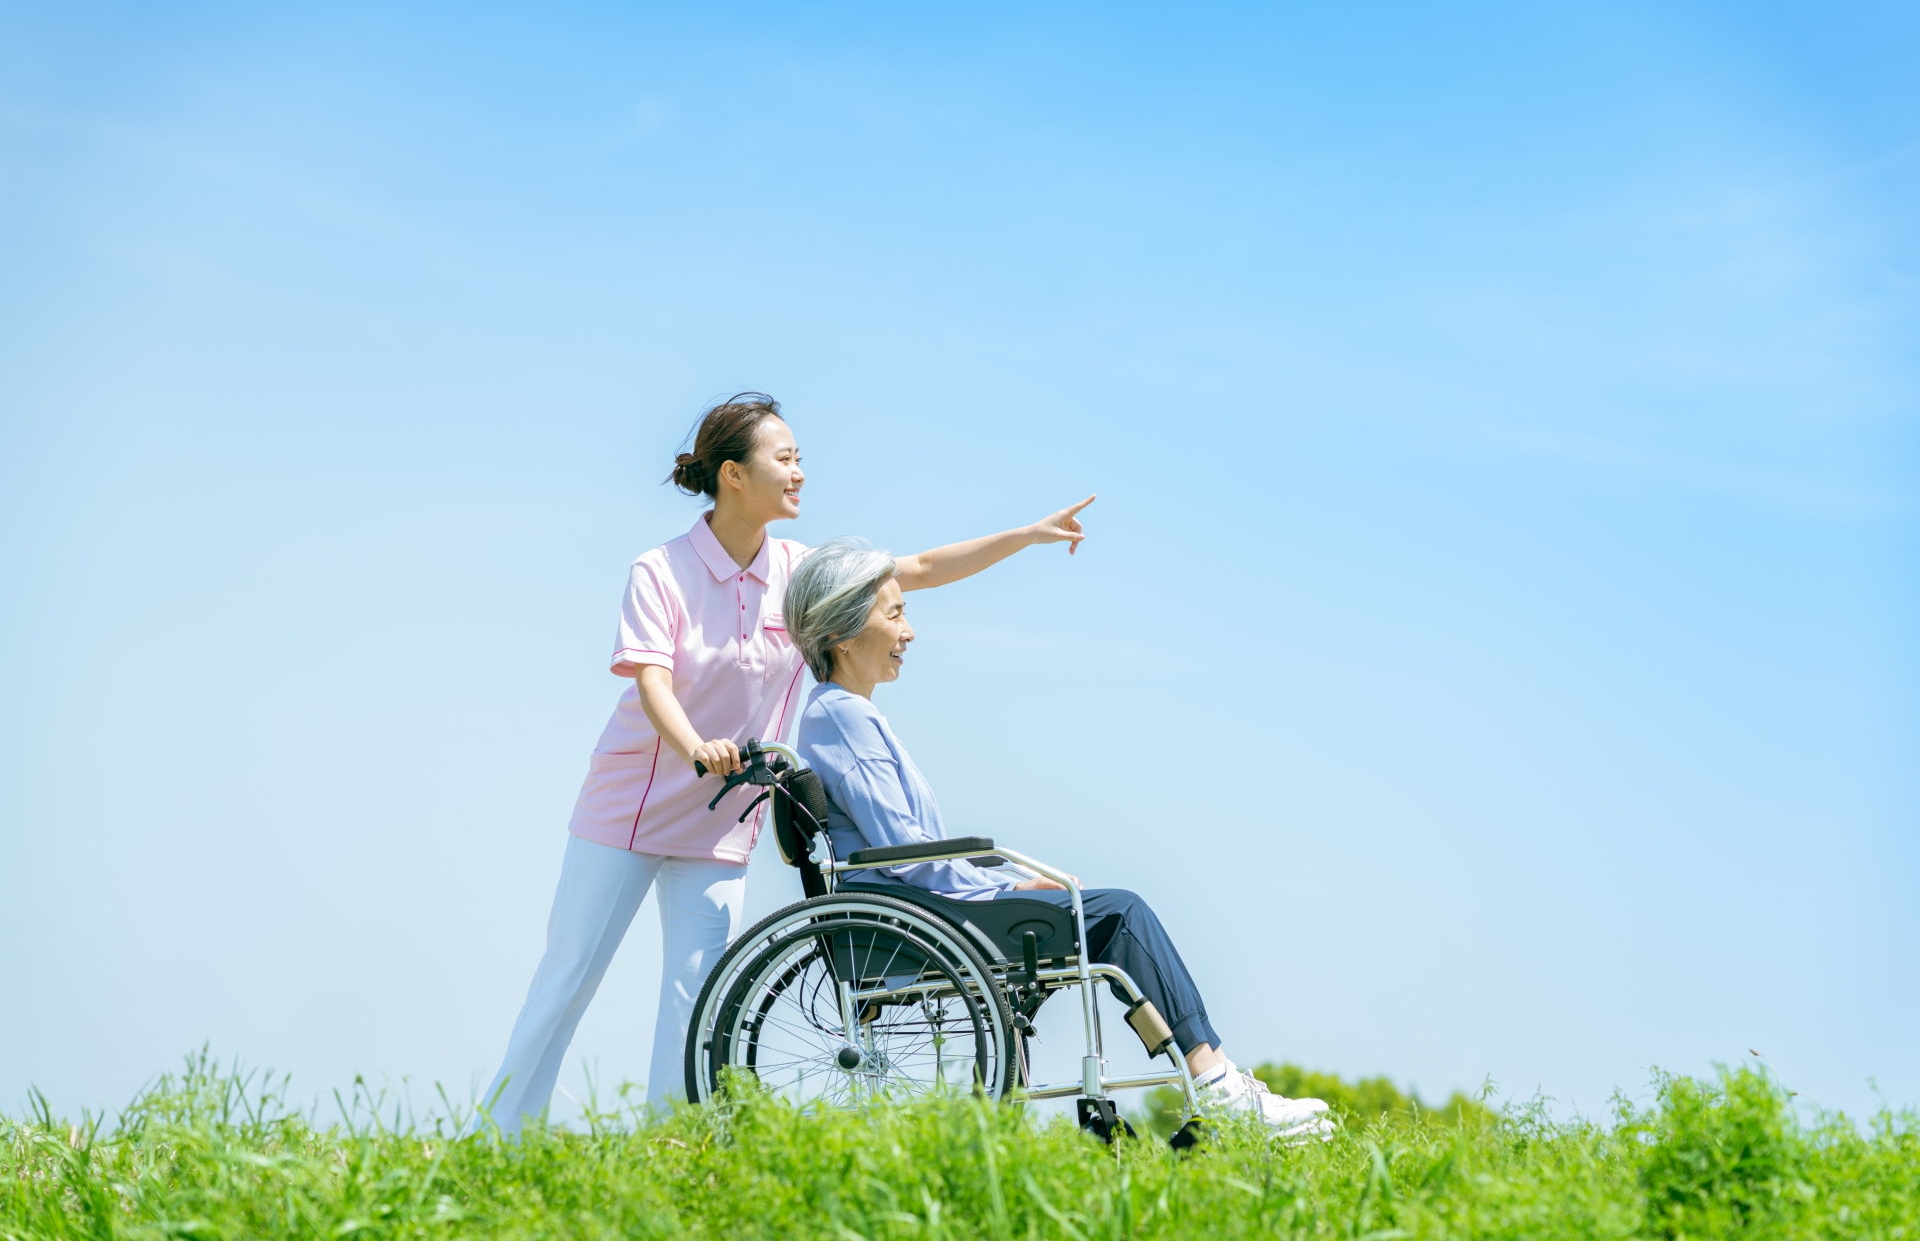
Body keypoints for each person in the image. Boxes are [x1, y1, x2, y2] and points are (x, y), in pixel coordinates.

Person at [478, 393, 1096, 1133]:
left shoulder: (800, 573)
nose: (801, 472)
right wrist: (694, 748)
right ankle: (498, 1135)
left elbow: (923, 567)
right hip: (629, 810)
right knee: (570, 975)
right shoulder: (663, 569)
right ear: (734, 474)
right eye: (786, 458)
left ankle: (673, 1142)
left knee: (698, 993)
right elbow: (652, 680)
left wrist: (1026, 536)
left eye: (801, 458)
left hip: (721, 821)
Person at [787, 538, 1335, 1137]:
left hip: (923, 909)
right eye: (894, 614)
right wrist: (1009, 882)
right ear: (842, 633)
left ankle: (1208, 1080)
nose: (909, 631)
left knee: (1103, 915)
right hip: (926, 916)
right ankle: (1215, 1082)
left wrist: (1009, 880)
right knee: (1122, 914)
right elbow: (906, 851)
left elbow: (908, 848)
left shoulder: (842, 712)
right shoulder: (841, 714)